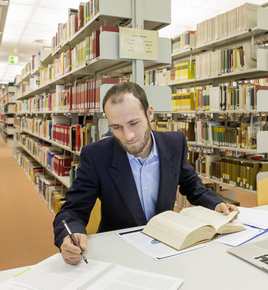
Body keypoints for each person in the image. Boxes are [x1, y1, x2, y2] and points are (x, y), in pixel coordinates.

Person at [53, 82, 239, 265]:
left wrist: (217, 204)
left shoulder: (175, 143)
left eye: (134, 123)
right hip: (121, 251)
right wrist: (69, 236)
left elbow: (191, 185)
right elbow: (73, 210)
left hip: (168, 245)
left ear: (149, 113)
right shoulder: (96, 155)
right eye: (116, 127)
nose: (128, 136)